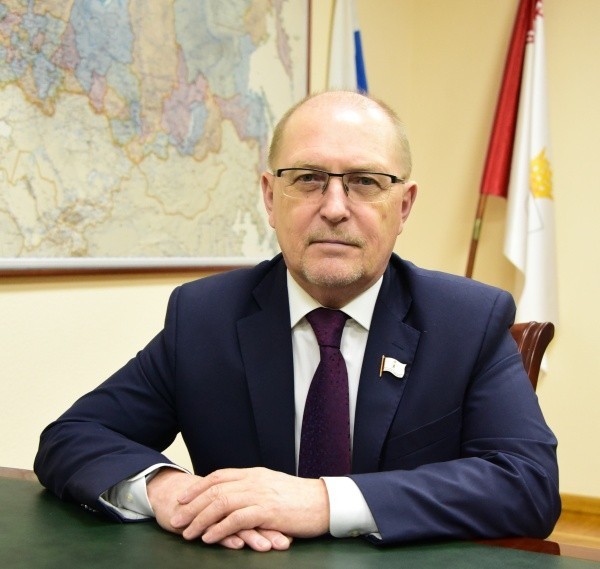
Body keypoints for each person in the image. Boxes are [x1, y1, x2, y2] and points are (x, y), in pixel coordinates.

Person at [34, 91, 560, 552]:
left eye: (365, 181)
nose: (334, 207)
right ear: (270, 197)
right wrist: (169, 491)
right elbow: (74, 436)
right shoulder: (204, 316)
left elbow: (528, 485)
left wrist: (320, 501)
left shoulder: (467, 321)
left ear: (403, 206)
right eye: (308, 179)